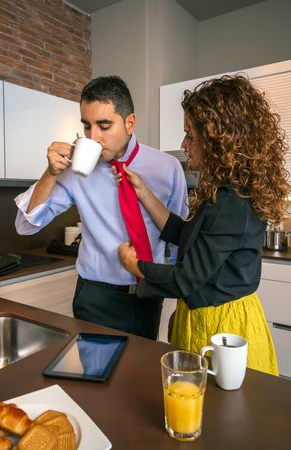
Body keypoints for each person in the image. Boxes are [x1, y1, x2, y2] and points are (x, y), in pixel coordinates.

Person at [117, 74, 291, 375]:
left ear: (217, 140)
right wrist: (144, 192)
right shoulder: (226, 190)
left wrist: (136, 266)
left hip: (223, 328)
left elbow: (186, 278)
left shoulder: (232, 201)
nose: (184, 144)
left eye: (190, 135)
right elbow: (183, 234)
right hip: (205, 317)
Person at [14, 75, 188, 340]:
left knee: (139, 377)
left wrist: (181, 303)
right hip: (95, 297)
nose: (93, 137)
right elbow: (25, 225)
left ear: (130, 123)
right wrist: (50, 173)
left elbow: (178, 242)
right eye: (86, 126)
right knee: (93, 377)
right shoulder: (76, 168)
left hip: (148, 295)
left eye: (104, 126)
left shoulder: (167, 168)